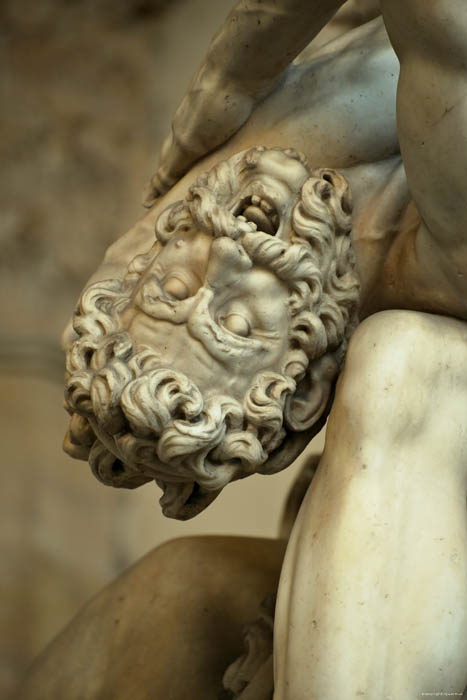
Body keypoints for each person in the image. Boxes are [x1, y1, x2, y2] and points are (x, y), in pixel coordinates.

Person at [19, 1, 467, 698]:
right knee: (401, 364)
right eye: (234, 323)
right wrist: (237, 64)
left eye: (170, 287)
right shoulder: (439, 259)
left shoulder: (244, 184)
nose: (221, 272)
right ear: (303, 376)